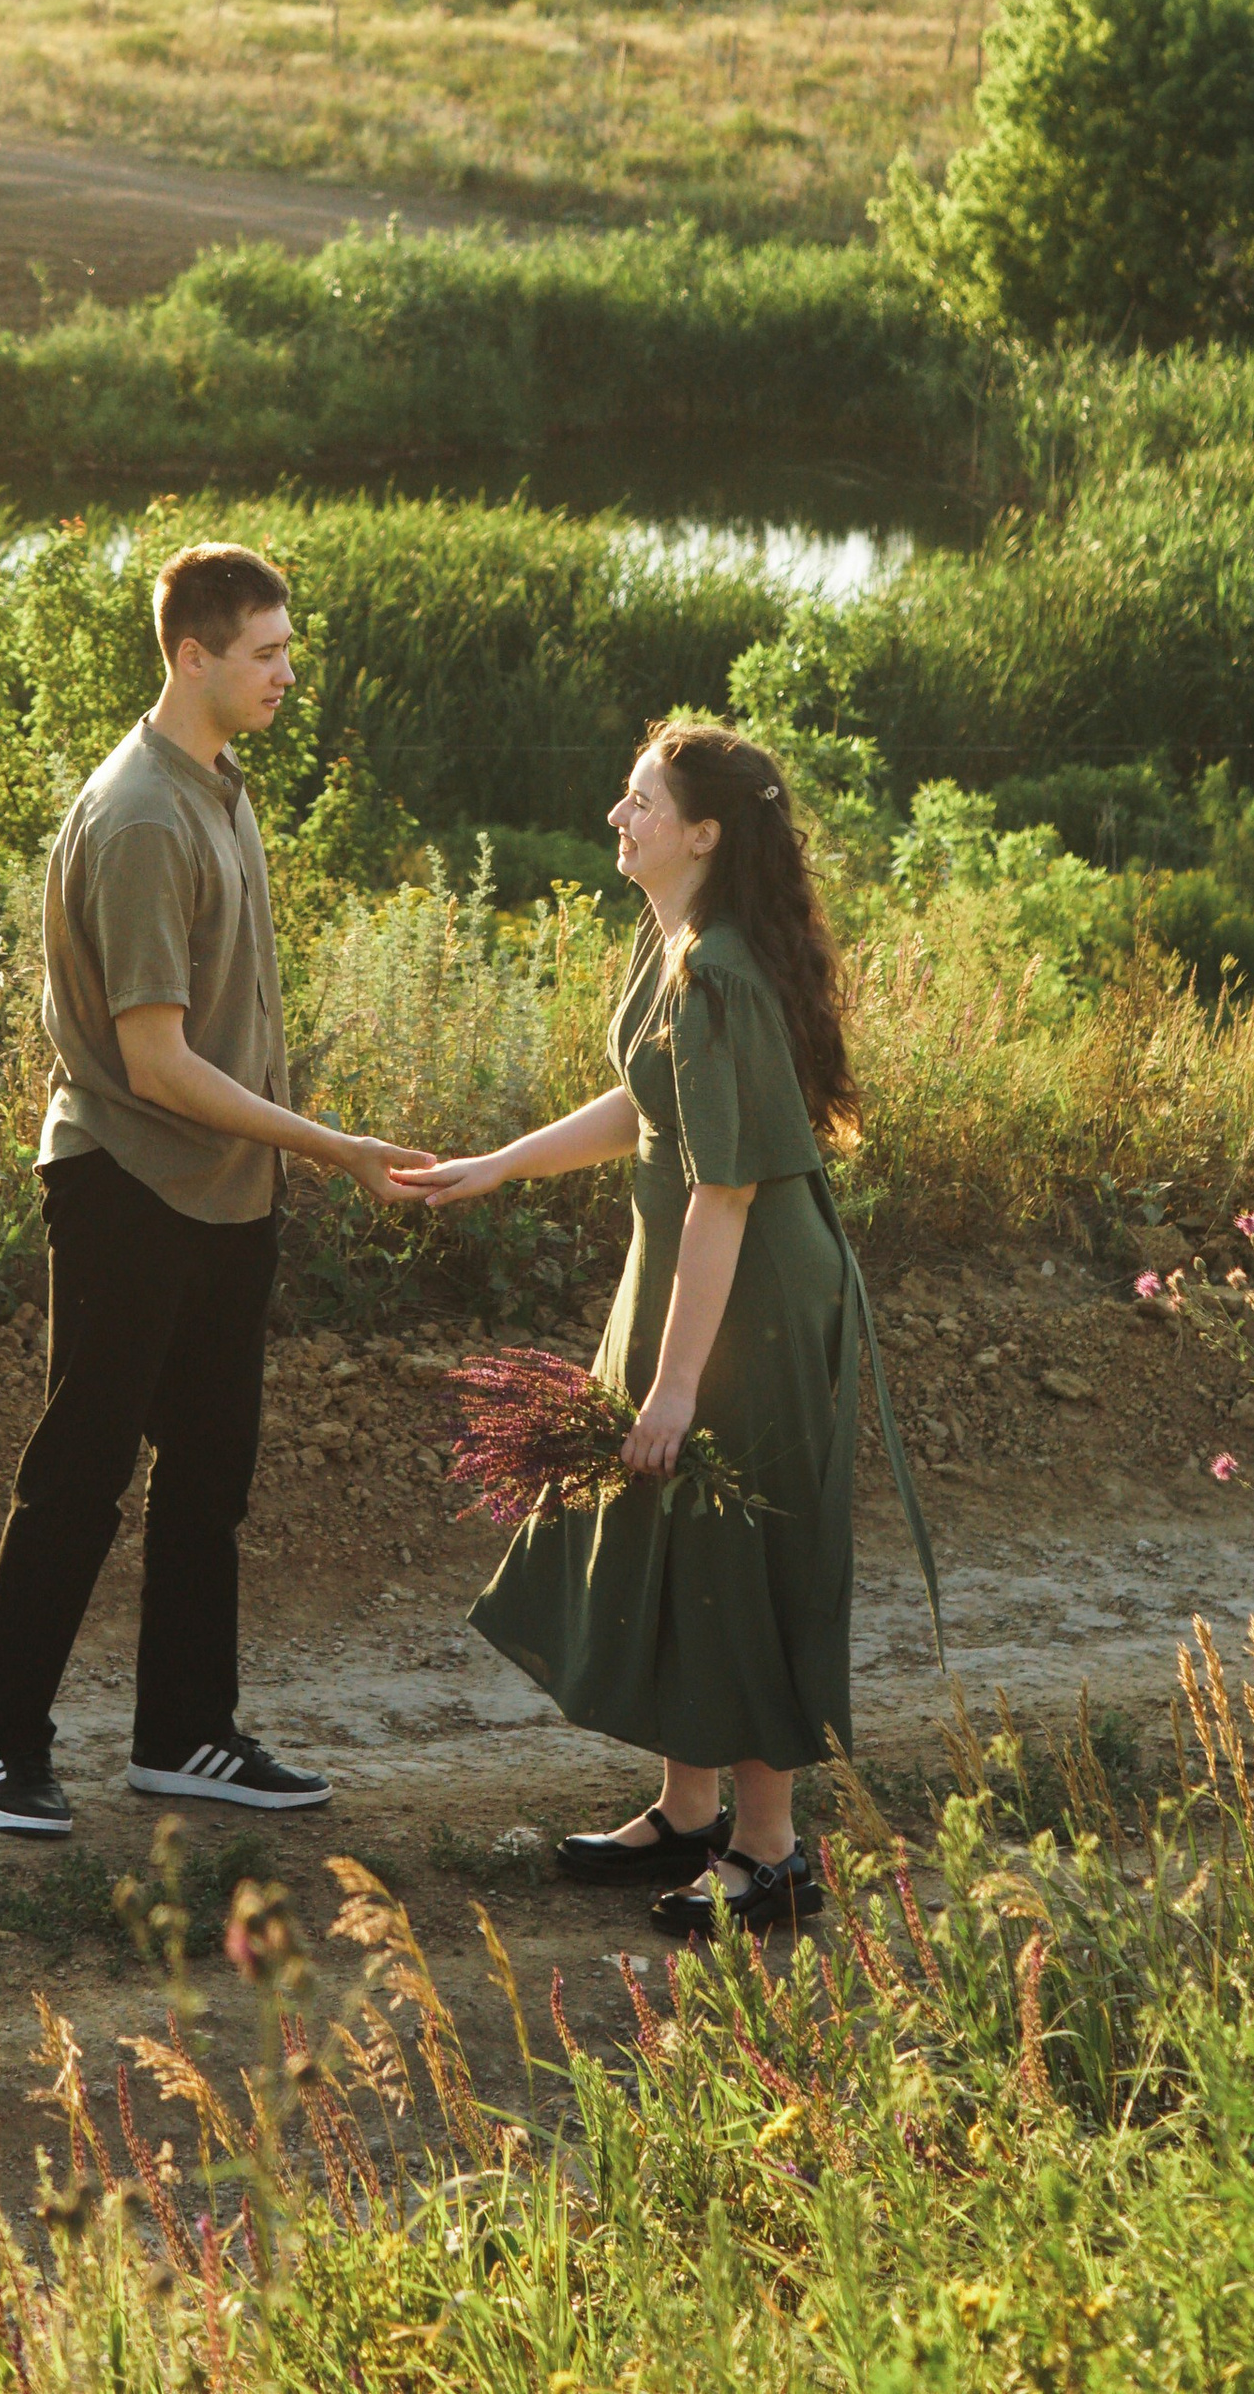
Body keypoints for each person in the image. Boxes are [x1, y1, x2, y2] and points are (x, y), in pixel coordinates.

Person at [393, 723, 937, 1940]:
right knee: (676, 1534)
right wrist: (498, 1165)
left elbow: (724, 1192)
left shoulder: (724, 974)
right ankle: (690, 1810)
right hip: (689, 1278)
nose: (616, 817)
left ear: (702, 834)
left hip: (753, 1303)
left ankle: (770, 1852)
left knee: (740, 1548)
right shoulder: (676, 942)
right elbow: (649, 1104)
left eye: (639, 801)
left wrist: (676, 1388)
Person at [0, 540, 433, 1838]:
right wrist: (334, 1147)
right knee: (83, 1469)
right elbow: (155, 1065)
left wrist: (280, 1156)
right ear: (192, 656)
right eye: (265, 654)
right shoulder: (142, 818)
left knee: (209, 1474)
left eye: (287, 650)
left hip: (227, 1188)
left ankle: (184, 1736)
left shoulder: (220, 786)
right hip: (128, 1182)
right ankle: (4, 1743)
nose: (288, 675)